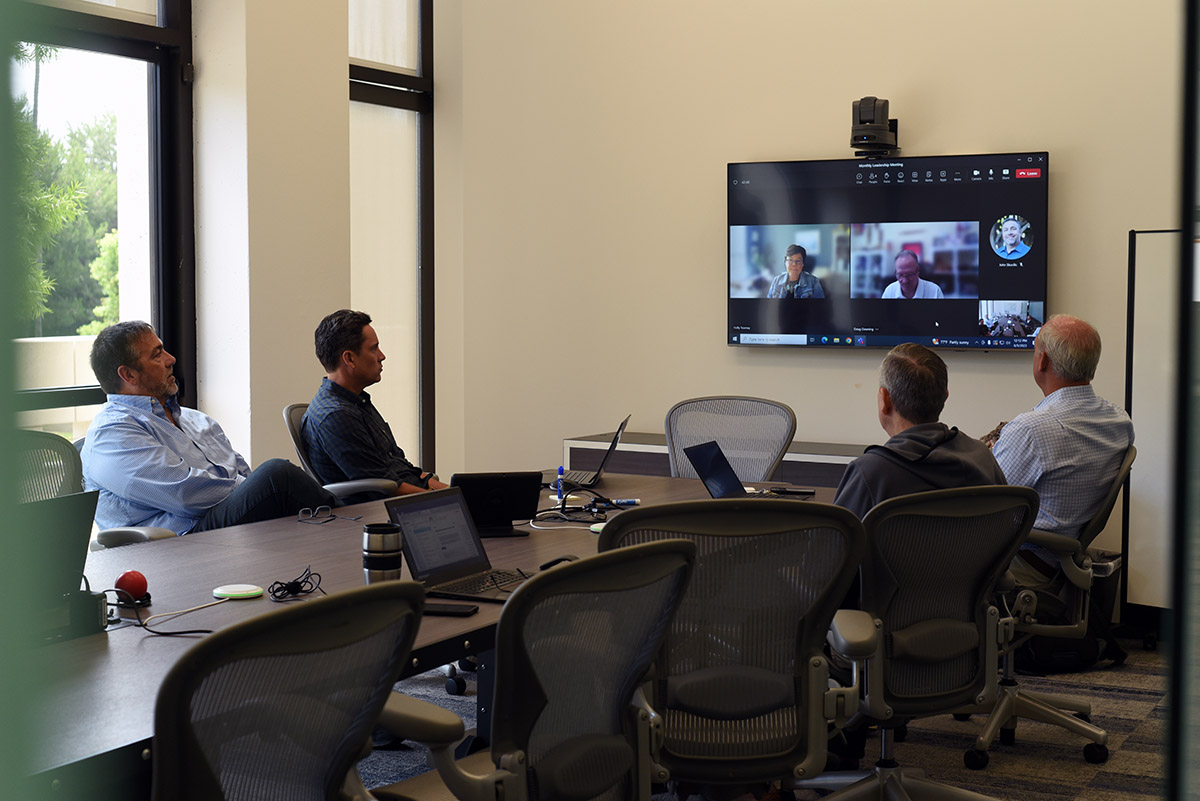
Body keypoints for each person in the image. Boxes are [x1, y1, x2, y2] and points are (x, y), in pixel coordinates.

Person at [81, 321, 336, 535]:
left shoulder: (196, 420)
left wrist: (251, 490)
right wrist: (252, 490)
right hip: (177, 541)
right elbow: (185, 494)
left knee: (294, 510)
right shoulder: (112, 432)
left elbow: (242, 472)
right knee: (276, 476)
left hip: (219, 526)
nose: (171, 359)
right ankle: (354, 530)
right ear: (128, 375)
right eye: (157, 355)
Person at [991, 315, 1134, 584]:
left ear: (1042, 360)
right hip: (1063, 561)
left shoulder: (1031, 430)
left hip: (1022, 563)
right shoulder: (1119, 421)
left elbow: (985, 512)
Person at [833, 343, 1005, 520]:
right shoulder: (983, 458)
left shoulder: (871, 473)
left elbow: (833, 543)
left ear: (885, 400)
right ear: (945, 397)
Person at [302, 309, 447, 498]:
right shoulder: (336, 416)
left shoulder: (356, 401)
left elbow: (402, 467)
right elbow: (384, 487)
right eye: (373, 348)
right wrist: (449, 500)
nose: (382, 356)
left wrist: (453, 491)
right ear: (350, 359)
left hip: (408, 500)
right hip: (385, 514)